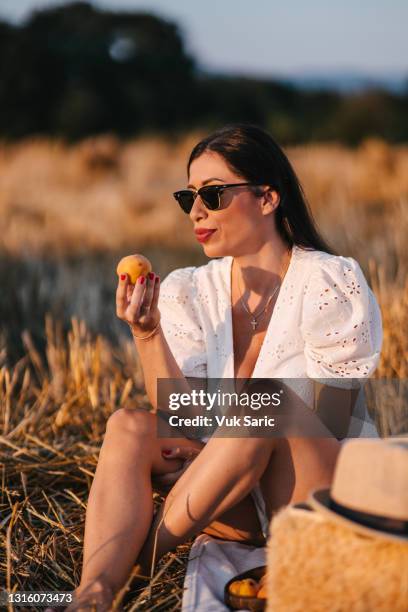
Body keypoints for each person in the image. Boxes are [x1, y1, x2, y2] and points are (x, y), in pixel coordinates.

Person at [65, 124, 383, 610]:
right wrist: (147, 334)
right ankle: (94, 593)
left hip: (310, 498)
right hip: (225, 500)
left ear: (267, 198)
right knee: (128, 425)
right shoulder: (189, 290)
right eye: (188, 197)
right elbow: (184, 418)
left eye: (213, 194)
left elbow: (333, 416)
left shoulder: (328, 280)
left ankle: (135, 563)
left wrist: (225, 439)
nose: (196, 212)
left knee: (268, 403)